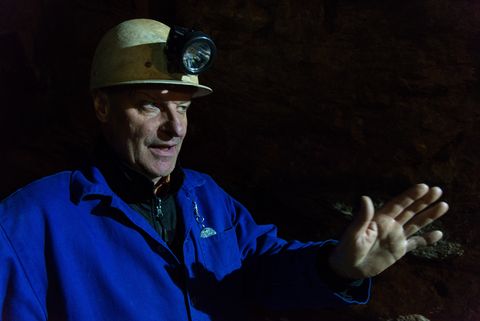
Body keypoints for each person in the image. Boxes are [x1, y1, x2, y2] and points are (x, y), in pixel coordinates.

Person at [0, 19, 448, 321]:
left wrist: (338, 268)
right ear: (102, 107)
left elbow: (261, 270)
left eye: (183, 107)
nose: (174, 128)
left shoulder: (206, 199)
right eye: (150, 106)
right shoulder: (29, 222)